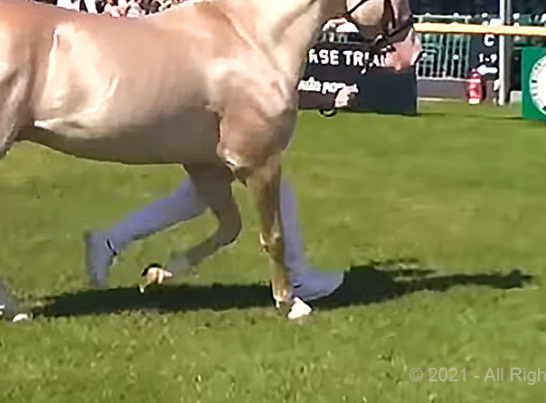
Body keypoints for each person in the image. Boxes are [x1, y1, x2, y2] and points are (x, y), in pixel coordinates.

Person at [83, 89, 358, 303]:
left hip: (213, 135)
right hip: (219, 137)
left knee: (196, 205)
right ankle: (297, 279)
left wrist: (326, 99)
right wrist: (326, 98)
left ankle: (115, 244)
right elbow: (268, 92)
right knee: (270, 195)